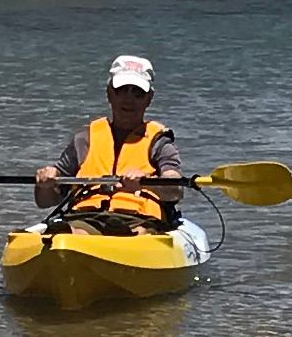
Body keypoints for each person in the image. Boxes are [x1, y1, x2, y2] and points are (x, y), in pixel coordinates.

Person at [33, 55, 182, 226]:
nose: (128, 99)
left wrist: (147, 183)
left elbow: (175, 190)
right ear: (109, 93)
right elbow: (44, 201)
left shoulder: (159, 143)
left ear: (149, 99)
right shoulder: (84, 140)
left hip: (139, 222)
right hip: (84, 219)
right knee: (71, 231)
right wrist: (45, 183)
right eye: (121, 90)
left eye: (138, 93)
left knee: (131, 231)